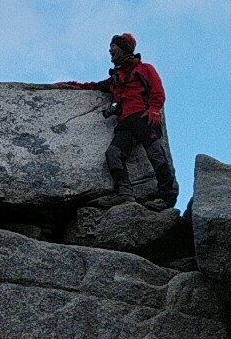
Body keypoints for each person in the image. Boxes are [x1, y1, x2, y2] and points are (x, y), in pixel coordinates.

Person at [59, 33, 179, 209]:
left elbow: (157, 91)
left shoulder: (144, 69)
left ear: (123, 49)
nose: (110, 51)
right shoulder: (115, 78)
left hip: (143, 118)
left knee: (156, 154)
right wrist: (70, 85)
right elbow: (93, 86)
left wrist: (154, 109)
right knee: (113, 153)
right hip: (125, 124)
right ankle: (124, 194)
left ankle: (167, 198)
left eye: (113, 47)